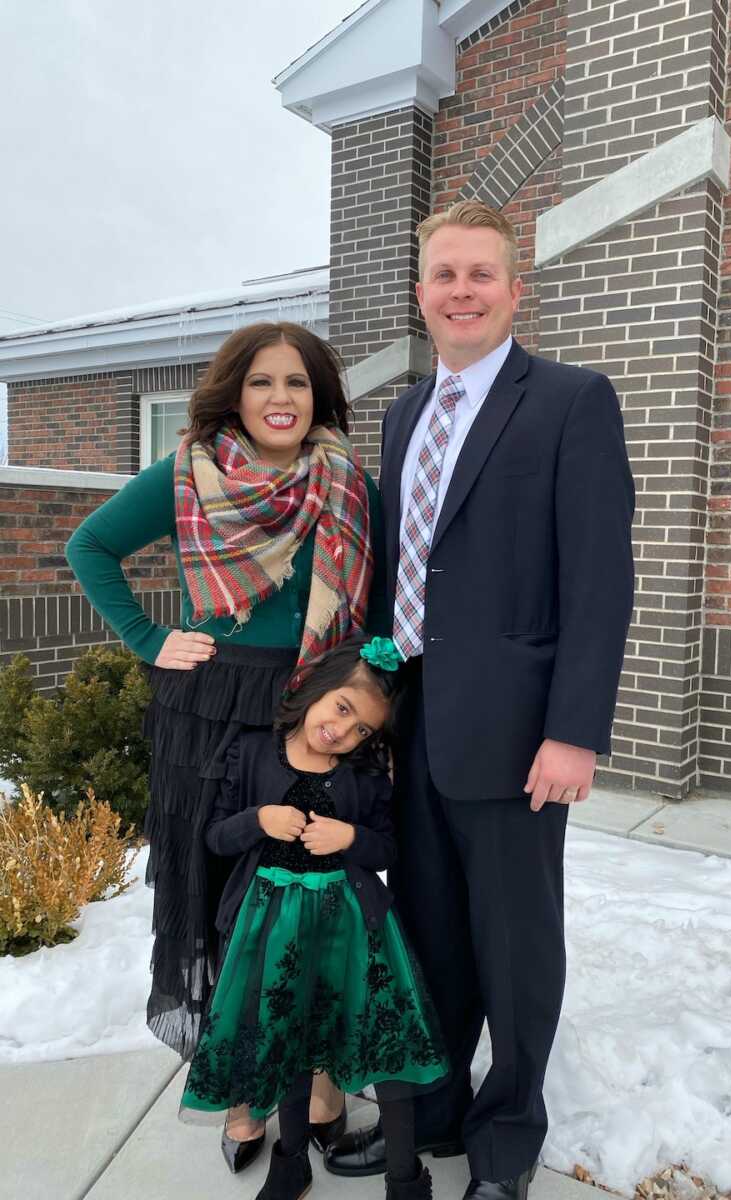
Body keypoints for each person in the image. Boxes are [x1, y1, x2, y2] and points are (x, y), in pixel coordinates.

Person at [324, 201, 635, 1200]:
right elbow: (406, 570)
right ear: (421, 294)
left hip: (513, 736)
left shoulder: (571, 402)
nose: (462, 291)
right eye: (444, 275)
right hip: (411, 723)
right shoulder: (405, 413)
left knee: (514, 943)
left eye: (481, 275)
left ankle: (506, 1139)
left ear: (514, 287)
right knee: (428, 935)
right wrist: (369, 690)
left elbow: (599, 581)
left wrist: (574, 732)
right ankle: (438, 1109)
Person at [65, 321, 387, 1170]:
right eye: (261, 383)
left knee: (314, 899)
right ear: (233, 394)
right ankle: (241, 1096)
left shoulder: (352, 487)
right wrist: (146, 636)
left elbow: (380, 603)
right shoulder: (186, 478)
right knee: (223, 902)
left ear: (320, 397)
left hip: (314, 706)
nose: (280, 399)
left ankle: (319, 1087)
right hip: (208, 711)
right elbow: (88, 545)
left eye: (297, 383)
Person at [180, 633, 446, 1200]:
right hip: (274, 925)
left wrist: (351, 837)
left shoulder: (364, 776)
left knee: (385, 1046)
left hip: (351, 929)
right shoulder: (252, 751)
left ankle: (405, 1180)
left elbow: (386, 850)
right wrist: (260, 820)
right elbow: (216, 836)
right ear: (314, 688)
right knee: (290, 1043)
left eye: (362, 730)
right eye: (343, 709)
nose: (344, 732)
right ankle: (291, 1160)